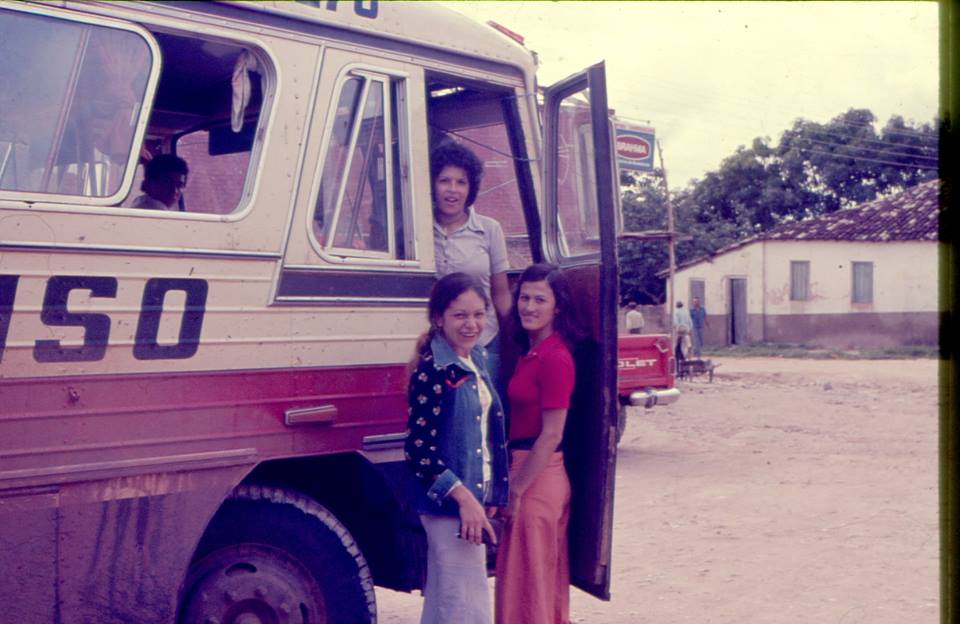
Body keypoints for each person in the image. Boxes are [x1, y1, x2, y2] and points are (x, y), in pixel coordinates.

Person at [404, 272, 509, 624]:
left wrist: (489, 493)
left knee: (446, 603)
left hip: (469, 504)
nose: (471, 324)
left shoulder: (474, 359)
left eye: (479, 314)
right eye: (460, 315)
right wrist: (465, 499)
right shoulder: (433, 370)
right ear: (439, 318)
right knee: (465, 607)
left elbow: (481, 438)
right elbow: (419, 452)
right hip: (449, 508)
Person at [495, 263, 581, 624]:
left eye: (540, 300)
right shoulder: (530, 352)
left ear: (557, 307)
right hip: (531, 472)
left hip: (537, 475)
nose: (529, 307)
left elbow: (552, 434)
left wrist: (516, 490)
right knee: (532, 584)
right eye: (524, 298)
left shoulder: (555, 357)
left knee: (529, 589)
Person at [431, 142, 512, 386]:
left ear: (471, 188)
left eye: (461, 182)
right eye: (445, 181)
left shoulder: (489, 229)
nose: (452, 190)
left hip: (484, 342)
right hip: (437, 344)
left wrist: (513, 341)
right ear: (433, 184)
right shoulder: (416, 231)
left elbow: (501, 292)